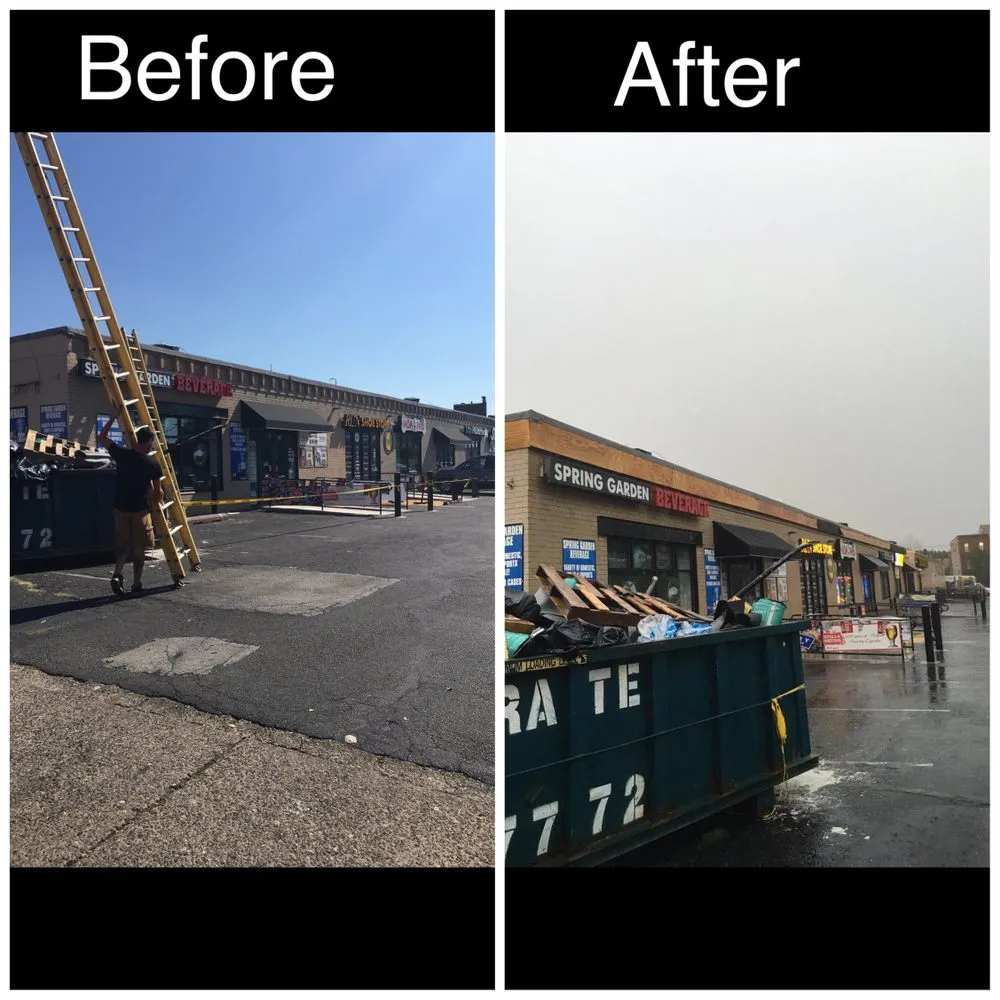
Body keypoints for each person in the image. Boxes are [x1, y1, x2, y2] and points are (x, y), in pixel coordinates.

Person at [97, 404, 163, 596]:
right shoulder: (153, 464)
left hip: (120, 508)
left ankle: (117, 574)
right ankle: (136, 583)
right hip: (139, 510)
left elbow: (102, 437)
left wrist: (113, 417)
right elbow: (157, 494)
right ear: (149, 440)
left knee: (122, 545)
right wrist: (158, 502)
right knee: (139, 548)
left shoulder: (122, 455)